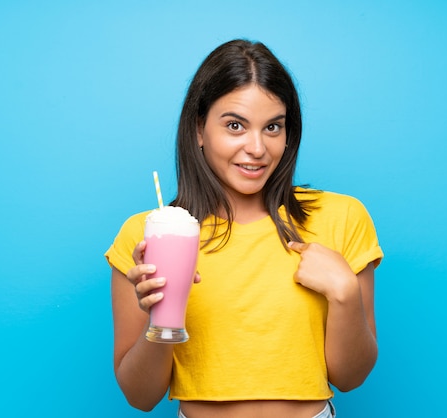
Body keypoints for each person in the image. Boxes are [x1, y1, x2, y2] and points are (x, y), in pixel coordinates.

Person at [105, 39, 383, 418]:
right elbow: (140, 396)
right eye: (235, 125)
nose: (257, 147)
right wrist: (162, 314)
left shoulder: (341, 217)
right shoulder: (148, 235)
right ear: (199, 130)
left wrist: (345, 294)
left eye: (273, 127)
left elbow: (351, 377)